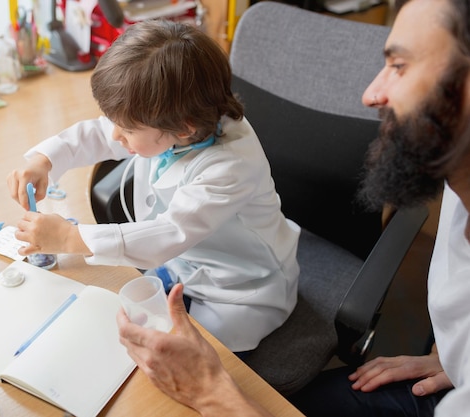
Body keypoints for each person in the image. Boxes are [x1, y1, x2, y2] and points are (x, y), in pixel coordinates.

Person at [116, 0, 470, 415]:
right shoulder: (458, 185)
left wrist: (211, 392)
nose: (371, 94)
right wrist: (457, 359)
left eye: (400, 66)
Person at [6, 19, 300, 353]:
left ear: (183, 130)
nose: (115, 135)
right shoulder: (170, 119)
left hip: (241, 289)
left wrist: (71, 239)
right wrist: (44, 160)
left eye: (127, 130)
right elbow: (97, 134)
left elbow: (170, 233)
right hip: (187, 265)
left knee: (190, 356)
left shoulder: (231, 166)